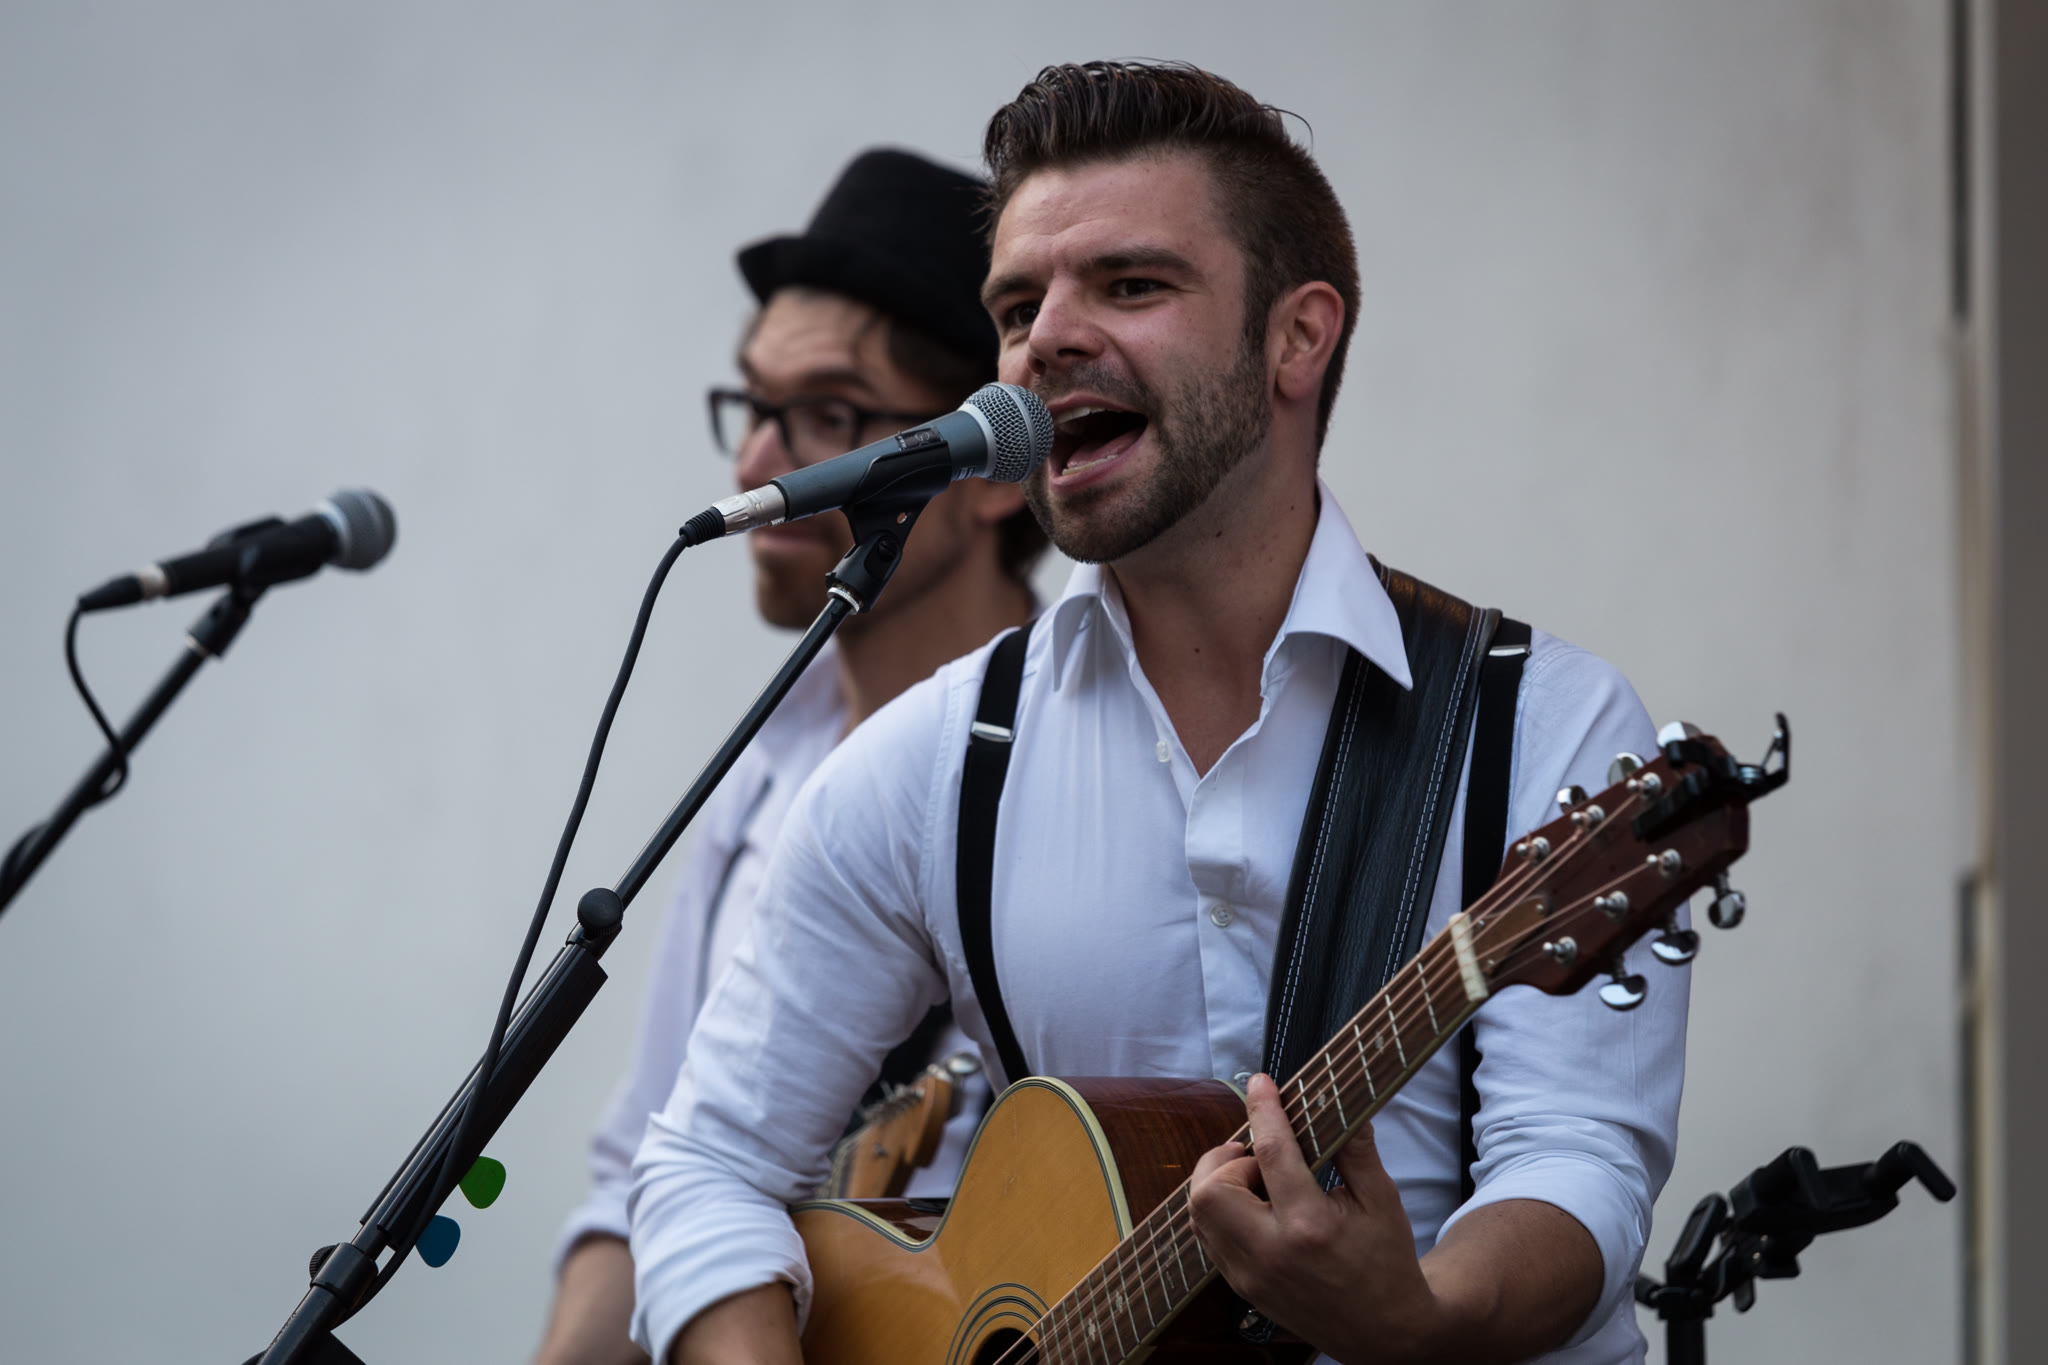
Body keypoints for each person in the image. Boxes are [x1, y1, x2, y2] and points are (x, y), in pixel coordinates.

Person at [629, 62, 1685, 1365]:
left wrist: (1418, 1318)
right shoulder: (931, 764)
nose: (1046, 340)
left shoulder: (1543, 725)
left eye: (1130, 284)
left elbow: (1576, 1159)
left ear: (1297, 338)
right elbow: (703, 1166)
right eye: (1017, 307)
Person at [529, 147, 1045, 1365]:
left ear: (987, 473)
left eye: (828, 417)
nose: (757, 464)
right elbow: (642, 1180)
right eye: (753, 406)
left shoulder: (1076, 760)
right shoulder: (763, 770)